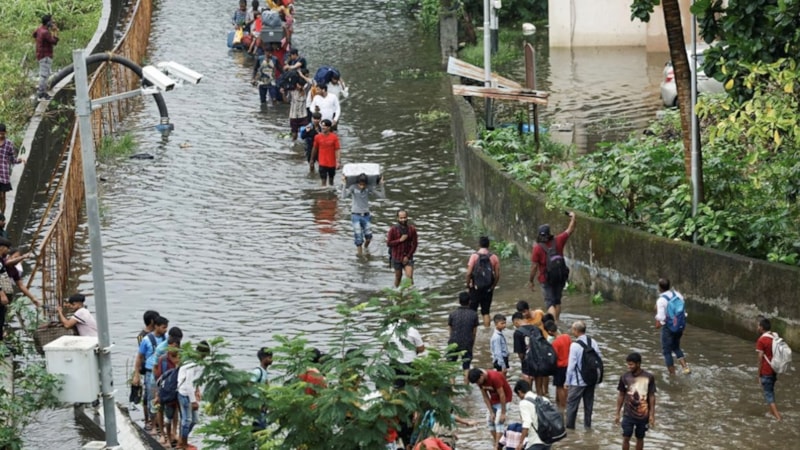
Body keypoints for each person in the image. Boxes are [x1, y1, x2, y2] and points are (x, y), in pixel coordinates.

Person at [529, 212, 576, 321]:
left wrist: (531, 280)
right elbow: (570, 229)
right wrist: (573, 217)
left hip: (546, 279)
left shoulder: (537, 248)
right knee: (557, 301)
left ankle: (553, 326)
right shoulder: (558, 240)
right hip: (560, 276)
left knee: (550, 303)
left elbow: (534, 267)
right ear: (549, 233)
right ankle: (557, 322)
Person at [133, 315, 170, 431]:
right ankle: (151, 422)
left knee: (163, 397)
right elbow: (139, 357)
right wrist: (137, 374)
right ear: (156, 326)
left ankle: (160, 421)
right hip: (150, 372)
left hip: (164, 371)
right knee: (151, 397)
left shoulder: (167, 338)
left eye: (166, 327)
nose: (166, 330)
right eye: (164, 327)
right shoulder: (146, 340)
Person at [615, 352, 656, 450]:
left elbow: (651, 396)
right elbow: (621, 395)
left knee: (640, 438)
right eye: (628, 364)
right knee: (626, 437)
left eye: (631, 364)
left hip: (643, 415)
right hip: (628, 414)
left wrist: (652, 415)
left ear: (638, 364)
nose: (629, 366)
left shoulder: (649, 377)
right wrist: (617, 413)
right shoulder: (624, 377)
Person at [565, 320, 602, 430]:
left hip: (577, 382)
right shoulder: (593, 342)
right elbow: (599, 359)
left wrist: (567, 381)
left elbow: (571, 366)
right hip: (591, 380)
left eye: (573, 329)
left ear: (576, 330)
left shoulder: (574, 346)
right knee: (588, 406)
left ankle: (570, 429)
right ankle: (587, 427)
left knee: (572, 406)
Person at [177, 340, 210, 449]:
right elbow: (188, 384)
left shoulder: (196, 362)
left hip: (189, 393)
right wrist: (193, 401)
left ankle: (182, 439)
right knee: (187, 420)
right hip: (184, 394)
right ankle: (183, 444)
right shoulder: (192, 363)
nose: (205, 358)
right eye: (204, 355)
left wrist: (197, 390)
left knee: (194, 420)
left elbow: (194, 381)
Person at [654, 278, 691, 375]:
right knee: (676, 347)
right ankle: (685, 368)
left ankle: (672, 375)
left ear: (659, 288)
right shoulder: (677, 295)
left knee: (667, 352)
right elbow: (682, 311)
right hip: (680, 326)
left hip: (668, 328)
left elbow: (661, 318)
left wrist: (657, 324)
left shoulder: (661, 300)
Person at [467, 368, 512, 449]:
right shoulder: (480, 381)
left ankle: (497, 446)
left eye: (478, 381)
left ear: (481, 376)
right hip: (493, 400)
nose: (478, 383)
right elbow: (485, 397)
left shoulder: (494, 377)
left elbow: (502, 395)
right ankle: (497, 443)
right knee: (489, 421)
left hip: (505, 399)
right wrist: (491, 412)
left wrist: (503, 413)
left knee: (499, 422)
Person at [343, 173, 384, 256]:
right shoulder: (353, 187)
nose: (362, 186)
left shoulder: (368, 188)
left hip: (366, 215)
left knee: (369, 237)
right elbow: (343, 196)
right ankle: (360, 256)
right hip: (355, 215)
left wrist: (381, 185)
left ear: (366, 183)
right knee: (358, 237)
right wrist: (344, 184)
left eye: (364, 184)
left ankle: (366, 249)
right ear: (357, 183)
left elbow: (382, 196)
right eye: (360, 184)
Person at [466, 236, 501, 328]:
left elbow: (469, 273)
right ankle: (487, 331)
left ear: (479, 244)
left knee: (472, 311)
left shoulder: (474, 256)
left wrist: (468, 285)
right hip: (488, 288)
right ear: (489, 245)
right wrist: (493, 286)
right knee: (486, 312)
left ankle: (472, 330)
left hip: (475, 287)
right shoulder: (494, 257)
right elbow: (497, 275)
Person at [154, 335, 181, 447]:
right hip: (164, 388)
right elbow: (158, 377)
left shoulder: (182, 359)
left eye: (175, 347)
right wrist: (157, 393)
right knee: (160, 409)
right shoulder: (163, 359)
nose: (172, 349)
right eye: (170, 347)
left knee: (175, 411)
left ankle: (174, 432)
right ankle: (163, 434)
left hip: (176, 389)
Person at [447, 291, 479, 384]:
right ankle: (466, 387)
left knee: (451, 365)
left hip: (453, 341)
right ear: (469, 301)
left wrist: (452, 341)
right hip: (467, 342)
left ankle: (452, 386)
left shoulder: (452, 314)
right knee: (466, 366)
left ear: (459, 301)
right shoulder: (473, 314)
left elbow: (450, 330)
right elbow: (474, 332)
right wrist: (472, 343)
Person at [513, 379, 552, 450]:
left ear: (519, 392)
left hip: (535, 441)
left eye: (518, 396)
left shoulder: (524, 403)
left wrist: (521, 442)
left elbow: (526, 423)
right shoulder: (545, 399)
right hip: (548, 440)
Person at [756, 317, 782, 421]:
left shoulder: (761, 340)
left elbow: (760, 358)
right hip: (774, 369)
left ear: (762, 328)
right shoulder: (774, 336)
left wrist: (758, 374)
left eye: (758, 325)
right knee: (771, 390)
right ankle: (771, 413)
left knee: (768, 395)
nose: (757, 327)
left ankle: (778, 418)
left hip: (766, 371)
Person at [386, 210, 418, 287]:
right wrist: (400, 240)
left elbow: (415, 244)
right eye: (401, 218)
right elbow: (389, 243)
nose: (403, 220)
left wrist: (408, 256)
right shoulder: (393, 229)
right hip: (396, 257)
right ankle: (397, 294)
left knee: (409, 277)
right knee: (398, 277)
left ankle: (410, 295)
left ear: (407, 217)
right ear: (397, 218)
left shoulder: (412, 229)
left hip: (408, 257)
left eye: (404, 217)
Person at [0, 123, 26, 214]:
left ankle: (2, 216)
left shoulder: (8, 144)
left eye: (2, 134)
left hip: (3, 174)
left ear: (5, 133)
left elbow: (12, 159)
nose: (1, 135)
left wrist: (20, 160)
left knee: (3, 196)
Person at [545, 320, 571, 409]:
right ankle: (565, 403)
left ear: (549, 332)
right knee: (566, 386)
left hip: (560, 367)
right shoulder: (567, 337)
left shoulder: (555, 343)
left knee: (560, 387)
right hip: (568, 365)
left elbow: (553, 357)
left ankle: (563, 406)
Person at [33, 15, 59, 100]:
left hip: (40, 54)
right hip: (45, 56)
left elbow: (34, 34)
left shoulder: (39, 29)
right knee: (44, 75)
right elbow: (54, 42)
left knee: (45, 74)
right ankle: (41, 94)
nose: (53, 23)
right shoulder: (45, 32)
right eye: (51, 21)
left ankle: (42, 92)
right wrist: (55, 32)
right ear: (48, 23)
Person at [309, 119, 340, 186]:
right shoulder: (317, 137)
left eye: (325, 126)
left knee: (331, 181)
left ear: (329, 127)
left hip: (332, 163)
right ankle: (323, 195)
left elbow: (337, 150)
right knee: (323, 181)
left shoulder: (334, 137)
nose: (323, 127)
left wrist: (338, 161)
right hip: (322, 163)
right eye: (322, 126)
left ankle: (331, 194)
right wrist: (311, 160)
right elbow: (314, 148)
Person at [287, 70, 311, 140]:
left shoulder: (305, 91)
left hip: (303, 116)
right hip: (293, 116)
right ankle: (294, 147)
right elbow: (286, 101)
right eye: (298, 84)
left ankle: (305, 145)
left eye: (301, 85)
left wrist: (301, 75)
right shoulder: (291, 91)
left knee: (307, 131)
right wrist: (282, 93)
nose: (300, 87)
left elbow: (311, 83)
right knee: (294, 135)